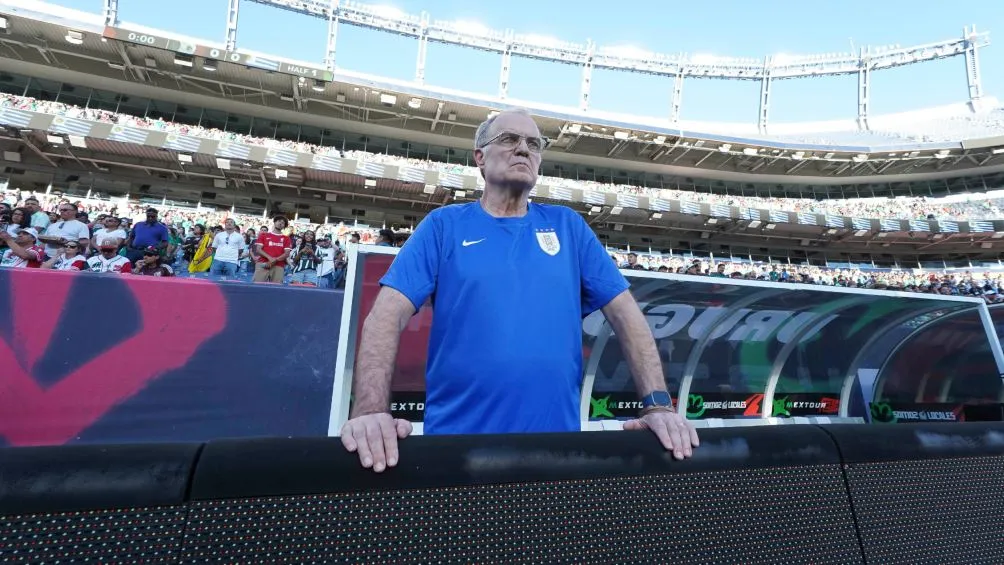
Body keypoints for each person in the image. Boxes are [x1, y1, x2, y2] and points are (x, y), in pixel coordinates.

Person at [341, 108, 699, 473]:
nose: (524, 149)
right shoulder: (443, 226)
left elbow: (627, 316)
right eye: (509, 139)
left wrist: (658, 406)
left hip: (557, 456)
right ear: (480, 157)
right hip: (456, 455)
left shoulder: (568, 227)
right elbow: (385, 316)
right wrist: (370, 411)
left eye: (534, 144)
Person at [253, 215, 292, 284]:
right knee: (257, 286)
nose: (280, 223)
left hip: (279, 265)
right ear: (274, 222)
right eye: (279, 221)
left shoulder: (286, 238)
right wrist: (270, 258)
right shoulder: (263, 235)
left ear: (284, 226)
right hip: (263, 263)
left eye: (283, 223)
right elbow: (258, 250)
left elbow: (287, 253)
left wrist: (274, 260)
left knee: (276, 288)